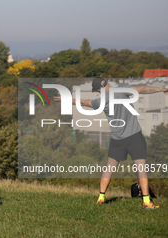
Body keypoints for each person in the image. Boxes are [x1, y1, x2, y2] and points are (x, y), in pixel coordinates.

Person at [54, 77, 168, 209]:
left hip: (118, 139)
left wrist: (65, 99)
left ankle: (101, 198)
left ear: (98, 89)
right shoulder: (121, 91)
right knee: (141, 168)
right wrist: (163, 89)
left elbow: (83, 102)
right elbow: (142, 89)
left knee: (109, 167)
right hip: (134, 136)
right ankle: (147, 202)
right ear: (106, 83)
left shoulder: (100, 101)